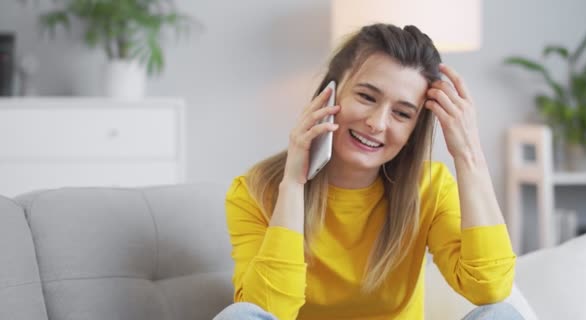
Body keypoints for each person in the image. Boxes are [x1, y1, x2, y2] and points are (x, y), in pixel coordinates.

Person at [214, 23, 522, 320]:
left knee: (501, 315)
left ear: (415, 128)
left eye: (402, 113)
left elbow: (490, 287)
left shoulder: (430, 187)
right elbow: (268, 310)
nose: (377, 123)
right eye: (366, 97)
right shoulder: (254, 191)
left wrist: (469, 155)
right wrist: (293, 185)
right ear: (329, 95)